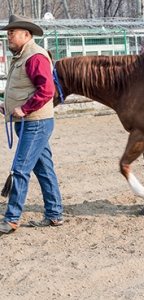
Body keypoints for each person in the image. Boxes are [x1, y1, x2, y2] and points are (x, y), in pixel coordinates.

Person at [0, 15, 63, 235]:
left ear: (26, 35)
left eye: (12, 33)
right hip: (30, 122)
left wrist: (24, 109)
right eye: (7, 33)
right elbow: (23, 88)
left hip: (35, 122)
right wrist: (7, 106)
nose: (8, 36)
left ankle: (11, 219)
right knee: (44, 169)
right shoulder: (22, 57)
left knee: (20, 169)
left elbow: (47, 91)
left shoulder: (35, 56)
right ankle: (54, 213)